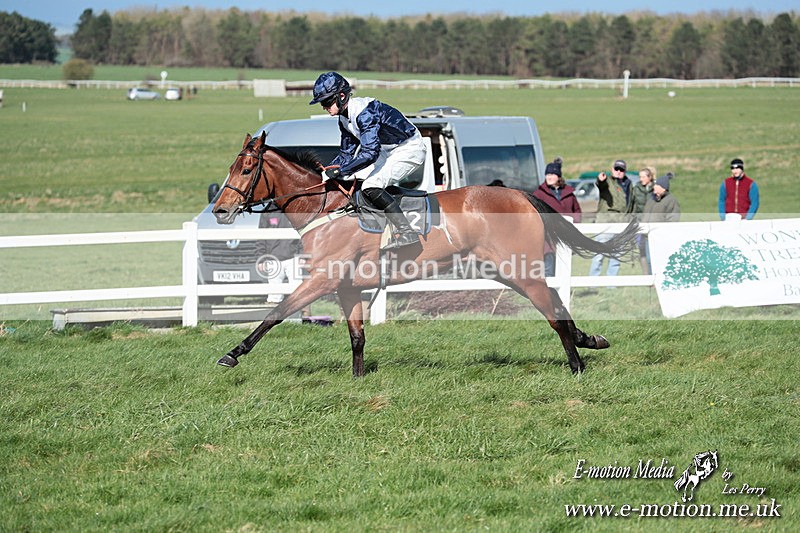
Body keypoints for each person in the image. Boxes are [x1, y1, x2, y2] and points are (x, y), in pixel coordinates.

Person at [309, 71, 427, 249]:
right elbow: (346, 154)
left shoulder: (365, 113)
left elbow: (370, 153)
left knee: (371, 185)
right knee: (354, 181)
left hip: (409, 149)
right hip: (387, 151)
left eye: (326, 102)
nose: (324, 107)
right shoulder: (344, 119)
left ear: (341, 96)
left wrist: (341, 171)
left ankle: (407, 232)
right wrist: (325, 172)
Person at [532, 157, 582, 276]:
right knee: (548, 269)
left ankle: (563, 294)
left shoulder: (568, 193)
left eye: (552, 174)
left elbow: (577, 210)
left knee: (564, 269)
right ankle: (549, 293)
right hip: (547, 239)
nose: (549, 177)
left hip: (565, 237)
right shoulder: (539, 194)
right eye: (547, 174)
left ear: (558, 176)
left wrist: (574, 223)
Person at [589, 159, 632, 277]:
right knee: (599, 255)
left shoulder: (628, 184)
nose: (619, 172)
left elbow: (630, 204)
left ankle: (611, 285)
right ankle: (593, 283)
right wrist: (600, 180)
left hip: (621, 224)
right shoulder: (607, 181)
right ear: (612, 170)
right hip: (605, 223)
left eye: (621, 170)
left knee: (616, 257)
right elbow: (600, 185)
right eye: (616, 169)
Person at [257, 213, 302, 304]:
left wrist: (302, 254)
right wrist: (261, 258)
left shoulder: (293, 210)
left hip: (293, 258)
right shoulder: (267, 212)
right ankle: (274, 316)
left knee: (297, 290)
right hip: (273, 259)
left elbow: (301, 233)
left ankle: (299, 316)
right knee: (274, 295)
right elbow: (260, 236)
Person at [642, 173, 681, 273]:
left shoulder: (671, 201)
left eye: (656, 185)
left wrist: (663, 233)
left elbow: (673, 219)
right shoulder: (651, 199)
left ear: (663, 188)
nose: (654, 187)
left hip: (660, 237)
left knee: (660, 261)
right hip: (647, 236)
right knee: (649, 260)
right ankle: (652, 283)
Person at [629, 167, 655, 274]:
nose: (641, 179)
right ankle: (647, 277)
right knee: (642, 252)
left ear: (650, 177)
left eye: (643, 176)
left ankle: (654, 275)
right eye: (640, 177)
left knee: (652, 251)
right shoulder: (636, 189)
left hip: (652, 223)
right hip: (640, 223)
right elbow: (633, 207)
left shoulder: (655, 189)